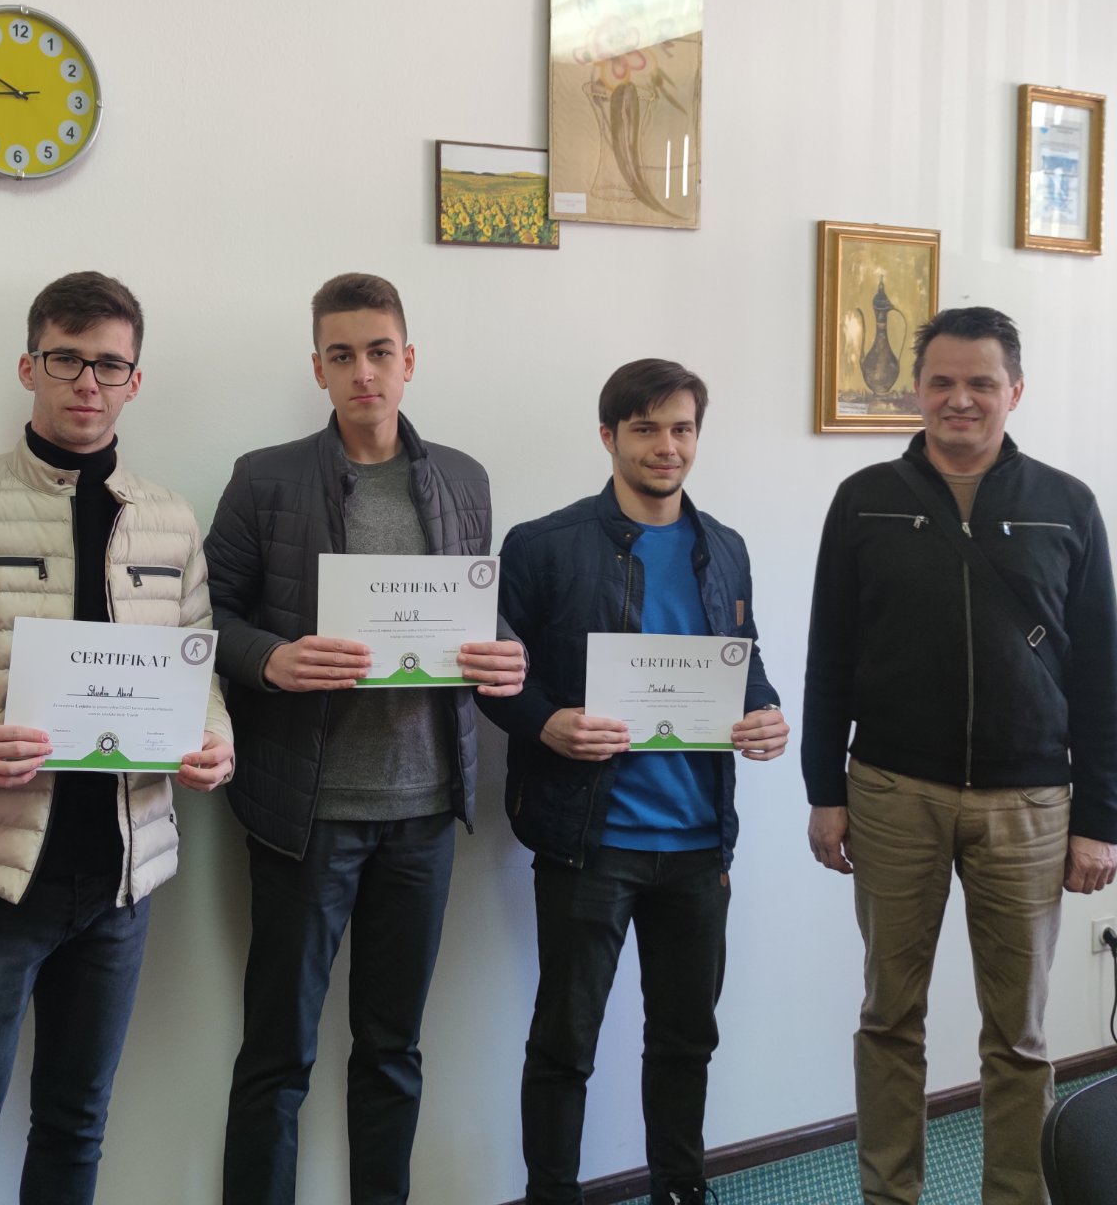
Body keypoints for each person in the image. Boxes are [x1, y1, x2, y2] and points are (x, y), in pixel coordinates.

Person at [0, 270, 234, 1205]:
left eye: (109, 365)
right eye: (66, 360)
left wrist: (212, 737)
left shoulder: (170, 519)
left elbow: (198, 661)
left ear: (135, 381)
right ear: (29, 366)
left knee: (77, 1127)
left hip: (120, 879)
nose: (87, 383)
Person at [207, 271, 527, 1205]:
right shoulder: (264, 478)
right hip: (306, 812)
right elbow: (205, 615)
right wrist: (273, 658)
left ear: (408, 360)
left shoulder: (462, 478)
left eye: (379, 352)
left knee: (393, 1050)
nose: (363, 373)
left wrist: (506, 653)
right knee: (278, 1052)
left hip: (424, 812)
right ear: (318, 367)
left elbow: (474, 614)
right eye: (341, 355)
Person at [802, 306, 1117, 1205]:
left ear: (1015, 390)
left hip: (1030, 805)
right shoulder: (864, 499)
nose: (961, 399)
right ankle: (888, 1193)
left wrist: (1100, 820)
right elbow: (830, 654)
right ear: (916, 391)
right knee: (888, 1018)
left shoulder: (1067, 505)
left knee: (1018, 1036)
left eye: (982, 382)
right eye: (941, 382)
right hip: (892, 791)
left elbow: (1100, 673)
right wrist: (825, 789)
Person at [483, 358, 787, 1205]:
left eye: (682, 428)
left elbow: (743, 663)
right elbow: (493, 678)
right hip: (590, 840)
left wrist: (764, 711)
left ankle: (681, 1191)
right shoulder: (542, 546)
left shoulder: (725, 548)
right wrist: (547, 722)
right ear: (609, 436)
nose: (666, 446)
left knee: (687, 1041)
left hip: (699, 843)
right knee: (564, 1044)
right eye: (646, 428)